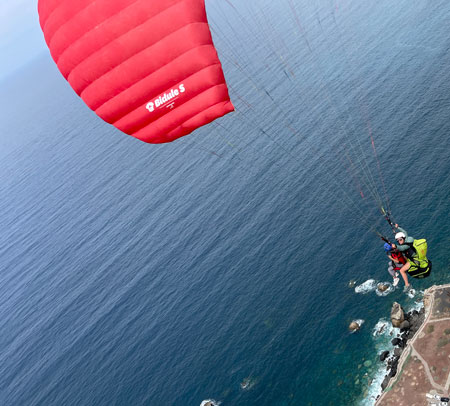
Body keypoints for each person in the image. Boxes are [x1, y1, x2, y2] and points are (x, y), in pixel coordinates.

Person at [391, 224, 415, 292]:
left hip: (414, 260)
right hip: (412, 257)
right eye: (398, 241)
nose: (399, 241)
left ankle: (407, 285)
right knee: (403, 258)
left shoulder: (407, 245)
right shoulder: (406, 238)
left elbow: (401, 248)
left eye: (400, 240)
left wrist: (395, 246)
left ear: (403, 238)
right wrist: (398, 227)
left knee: (402, 270)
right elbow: (404, 232)